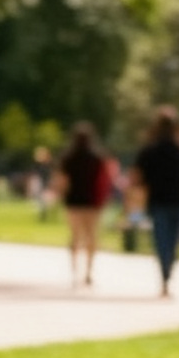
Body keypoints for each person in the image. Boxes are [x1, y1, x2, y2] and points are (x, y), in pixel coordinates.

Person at [132, 107, 179, 299]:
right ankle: (168, 273)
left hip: (158, 201)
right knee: (174, 240)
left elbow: (137, 178)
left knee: (161, 240)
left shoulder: (149, 149)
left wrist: (135, 198)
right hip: (178, 201)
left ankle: (164, 276)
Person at [59, 123, 114, 289]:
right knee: (91, 237)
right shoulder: (98, 158)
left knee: (75, 236)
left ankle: (75, 270)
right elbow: (105, 181)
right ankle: (88, 272)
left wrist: (62, 196)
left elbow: (63, 181)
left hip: (74, 202)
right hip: (92, 202)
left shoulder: (68, 158)